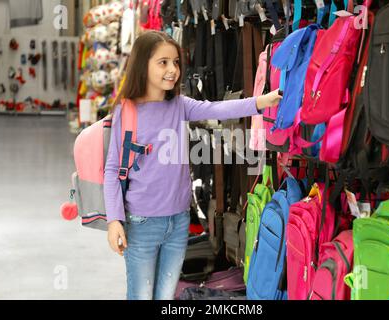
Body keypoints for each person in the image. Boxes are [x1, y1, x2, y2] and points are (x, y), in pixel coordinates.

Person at [104, 30, 282, 300]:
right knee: (141, 294)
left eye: (175, 62)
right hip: (141, 223)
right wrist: (114, 220)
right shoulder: (126, 112)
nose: (172, 69)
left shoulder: (179, 105)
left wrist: (261, 102)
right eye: (162, 62)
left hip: (178, 221)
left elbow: (217, 109)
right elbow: (112, 170)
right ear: (143, 65)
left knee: (166, 295)